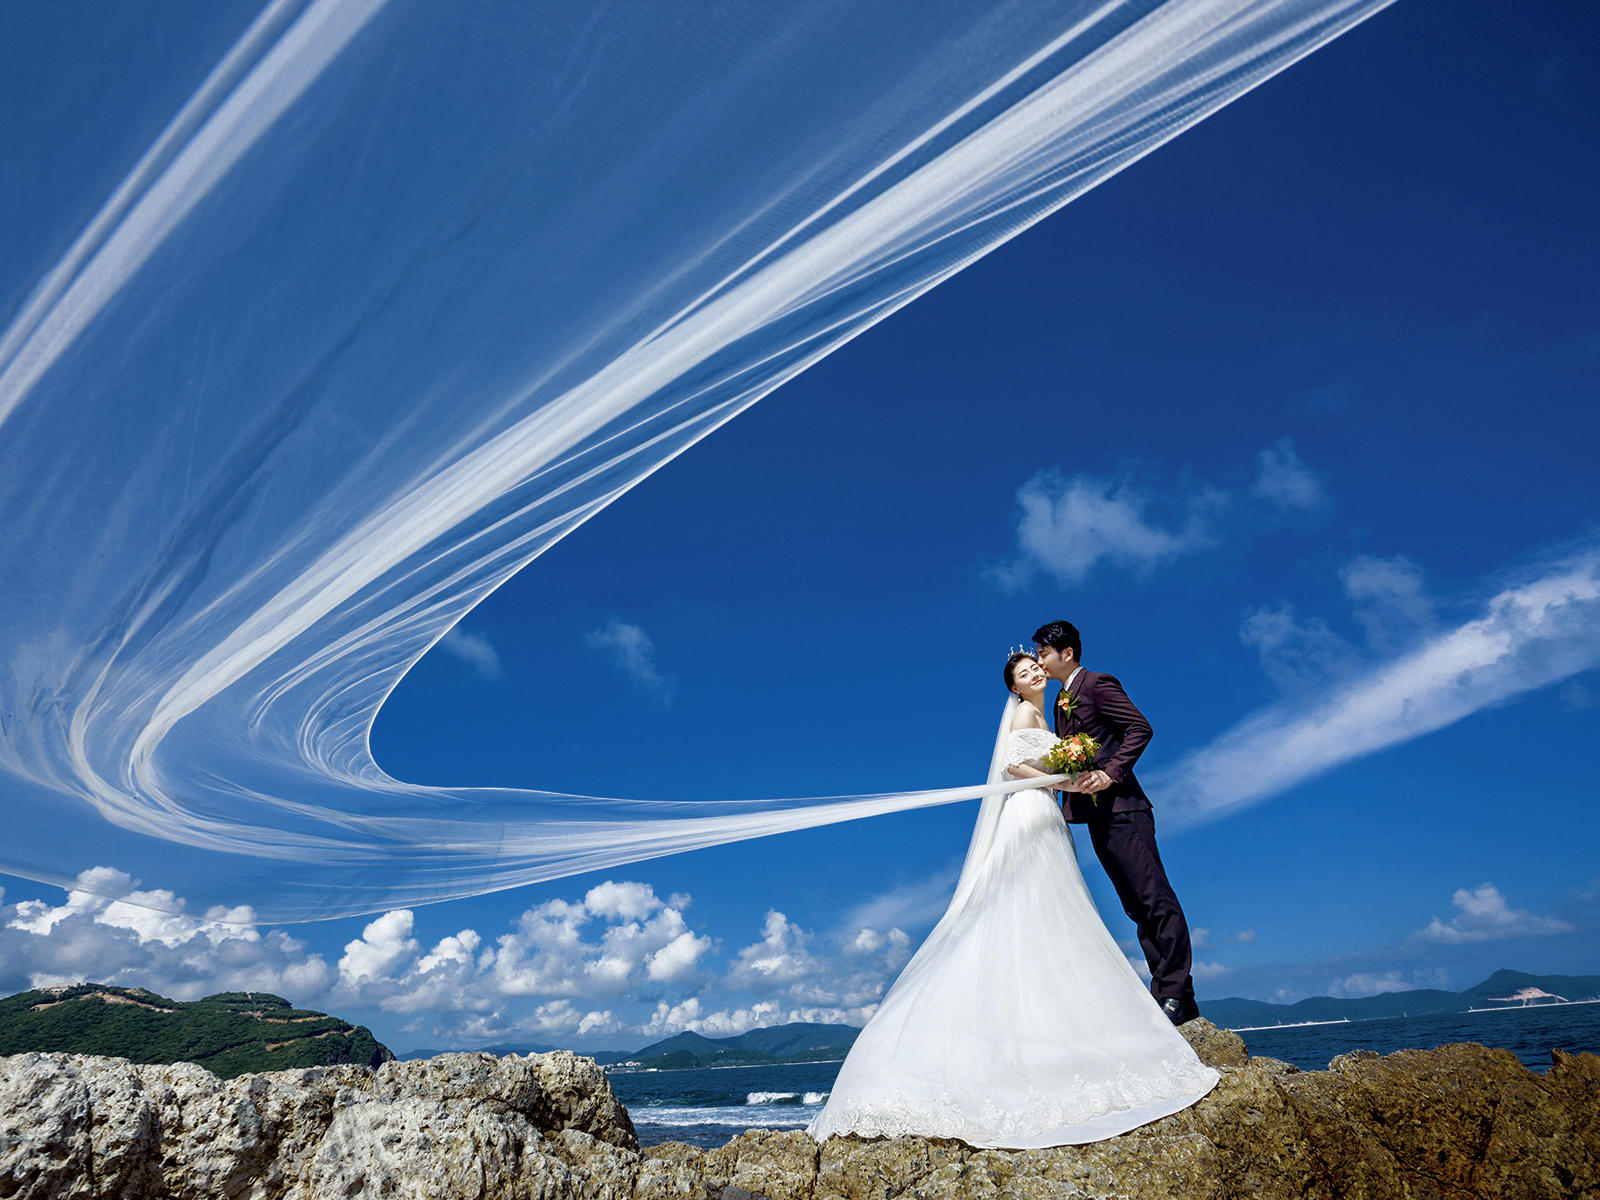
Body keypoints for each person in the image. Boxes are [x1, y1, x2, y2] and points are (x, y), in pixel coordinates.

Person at [806, 652, 1217, 1148]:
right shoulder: (1026, 714)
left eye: (1036, 667)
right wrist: (1063, 779)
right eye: (1025, 673)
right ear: (1016, 689)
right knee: (1030, 903)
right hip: (1031, 810)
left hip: (1048, 811)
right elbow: (1012, 765)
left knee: (1056, 910)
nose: (1035, 674)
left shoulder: (1055, 715)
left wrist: (1072, 770)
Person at [1032, 620, 1199, 1026]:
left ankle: (1177, 991)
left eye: (1042, 652)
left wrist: (1111, 772)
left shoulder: (1097, 683)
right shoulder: (1060, 702)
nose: (1039, 660)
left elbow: (1139, 729)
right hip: (1095, 815)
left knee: (1154, 898)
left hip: (1125, 808)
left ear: (1065, 652)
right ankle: (1168, 992)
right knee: (1133, 905)